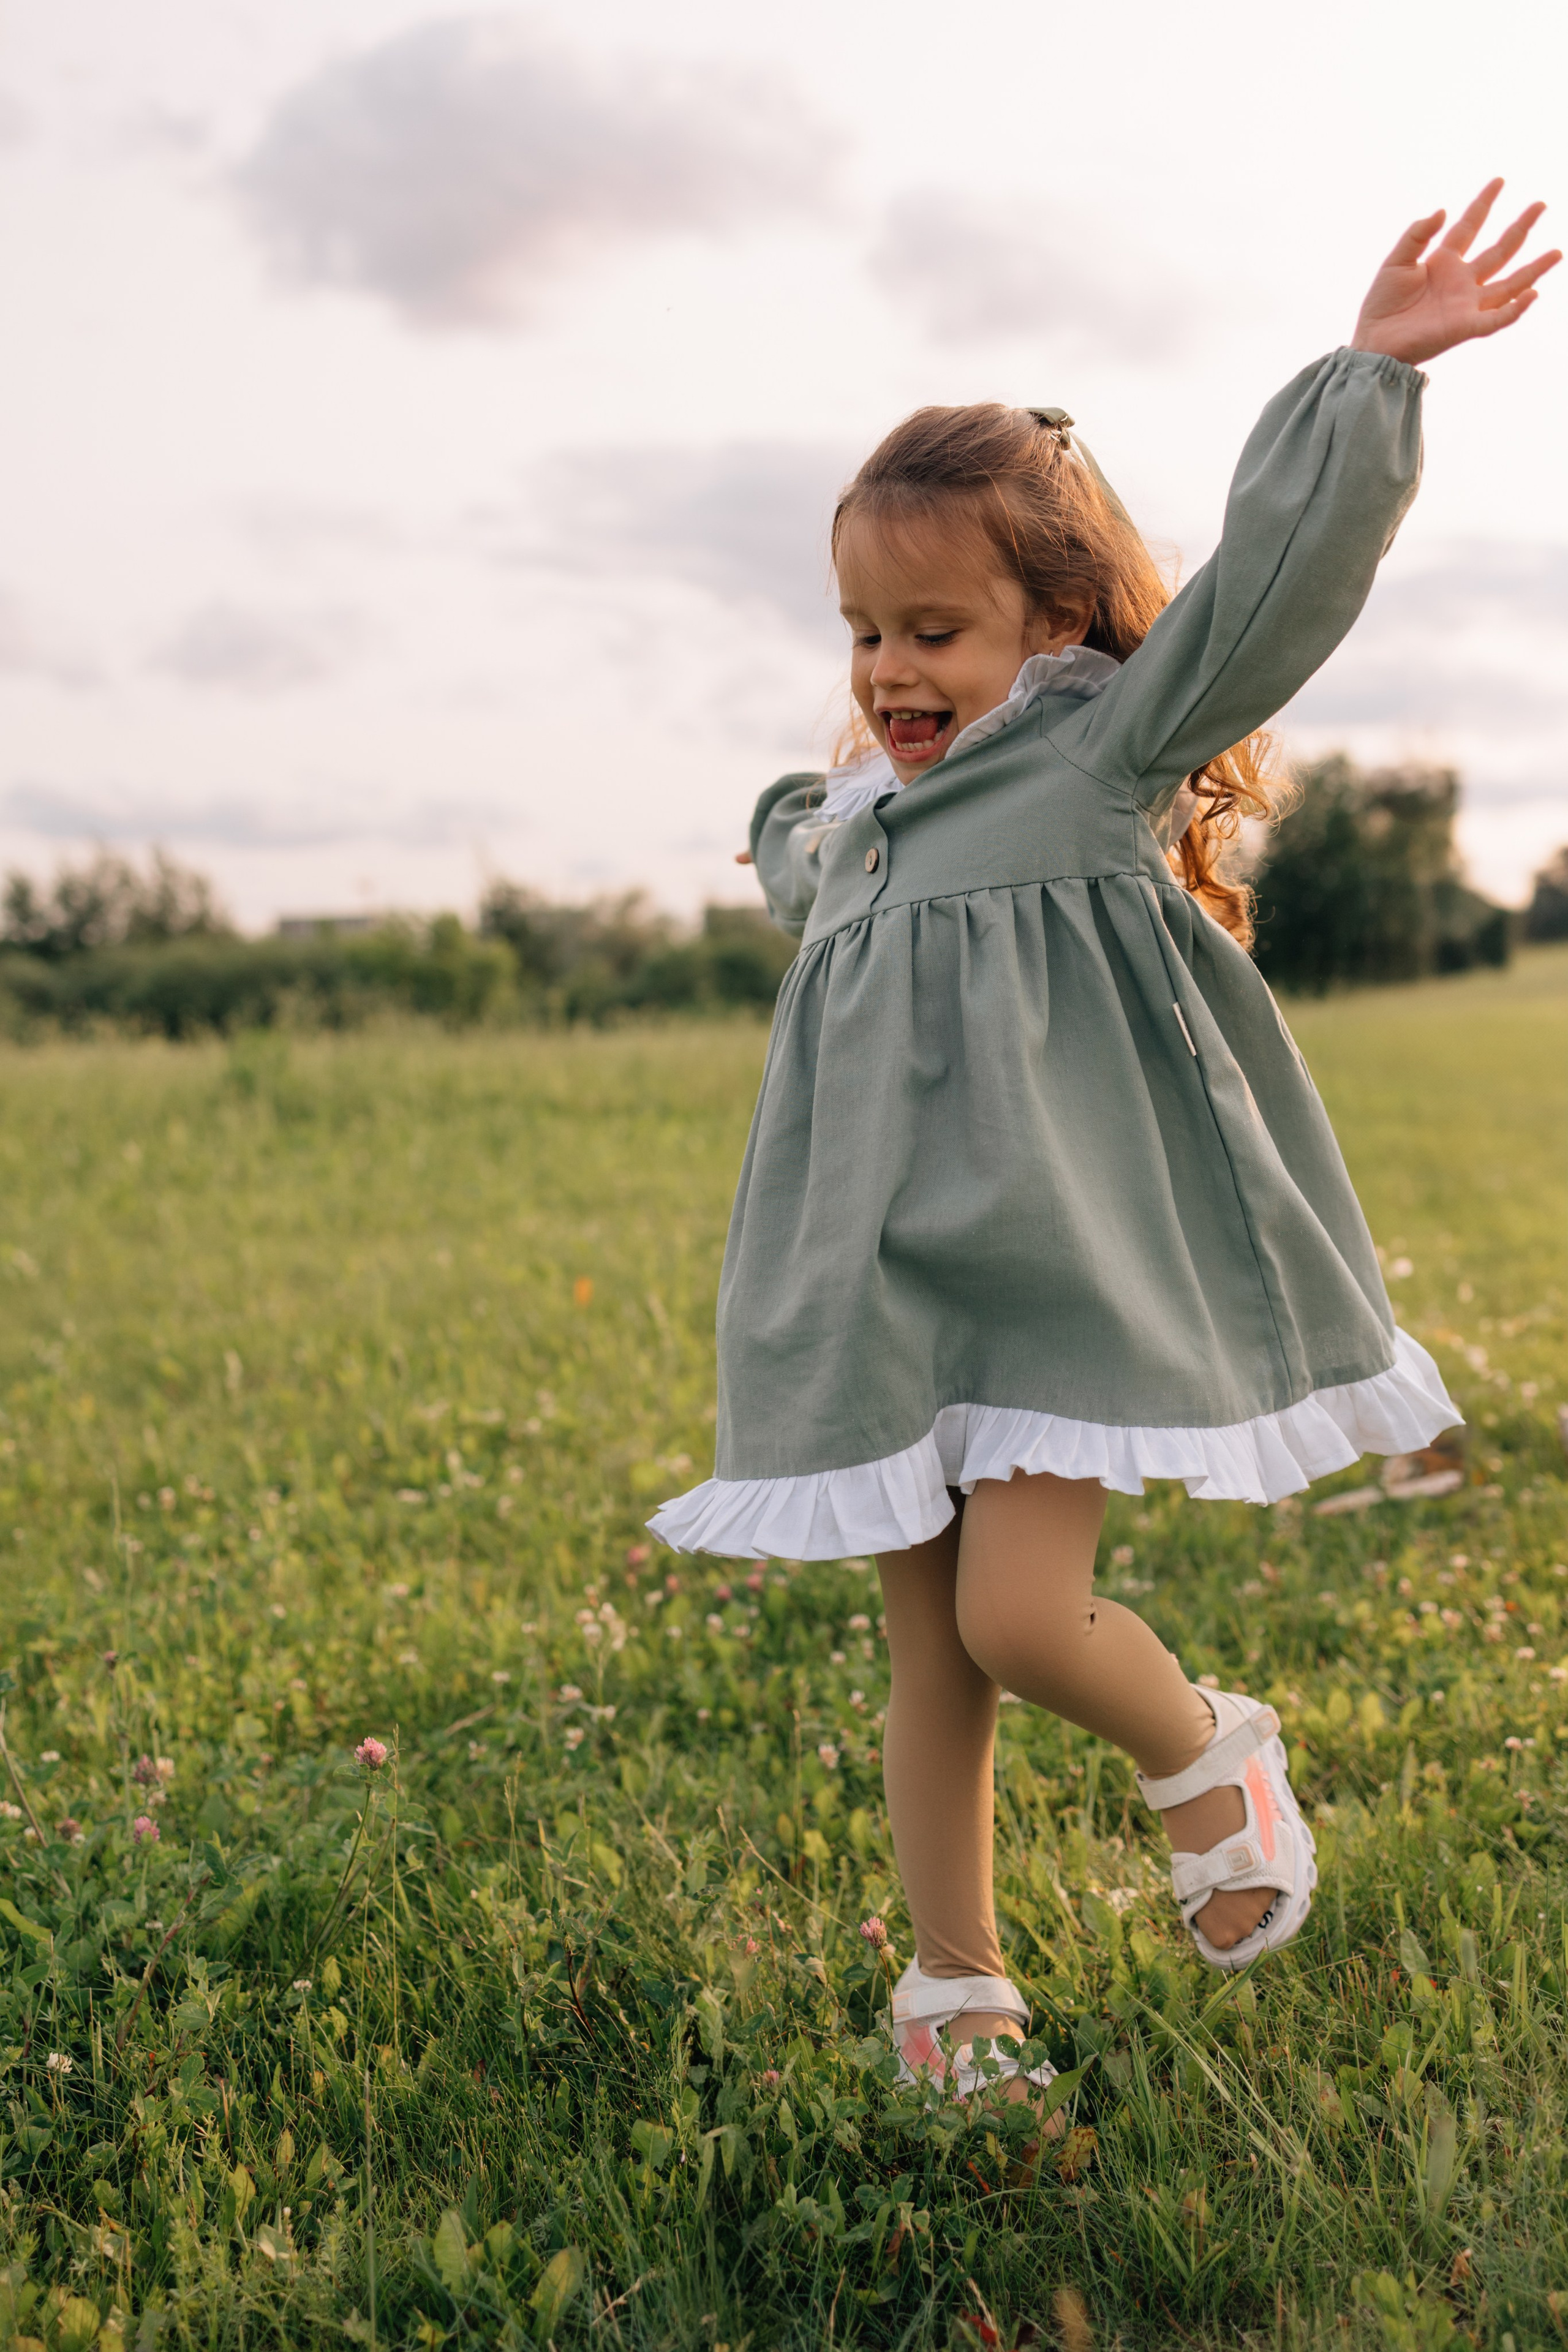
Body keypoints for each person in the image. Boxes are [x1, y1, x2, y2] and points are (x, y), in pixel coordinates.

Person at [651, 186, 1557, 2107]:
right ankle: (955, 1984)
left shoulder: (1090, 756)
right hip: (875, 1301)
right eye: (865, 633)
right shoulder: (862, 825)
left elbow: (1264, 594)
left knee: (1016, 1612)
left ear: (1054, 622)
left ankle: (1205, 1746)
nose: (891, 672)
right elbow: (798, 851)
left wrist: (1369, 381)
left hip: (1053, 1276)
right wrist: (785, 826)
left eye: (936, 631)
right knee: (934, 1660)